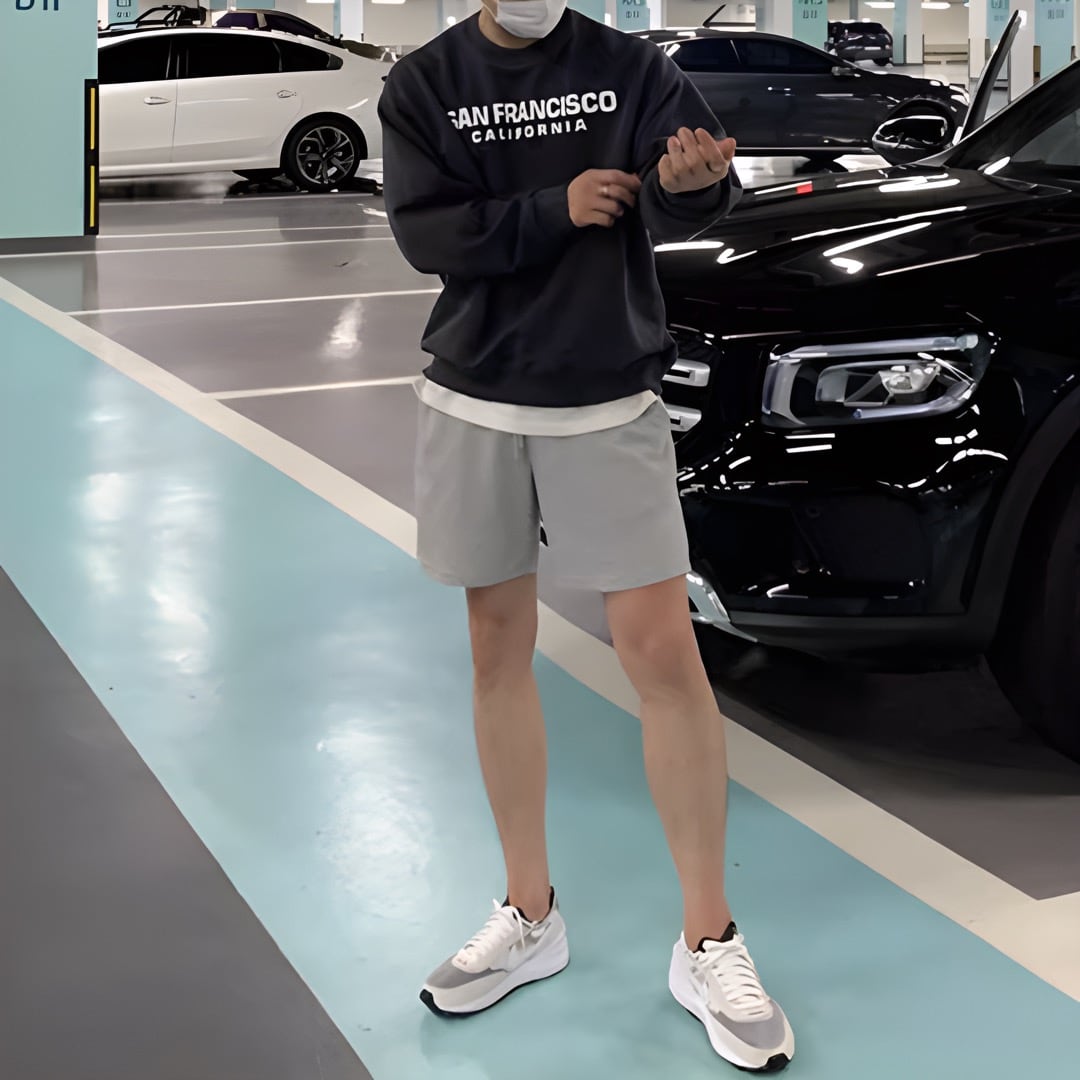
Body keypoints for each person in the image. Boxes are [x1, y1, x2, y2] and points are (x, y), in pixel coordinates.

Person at [378, 0, 794, 1071]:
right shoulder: (424, 84)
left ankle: (709, 938)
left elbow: (695, 194)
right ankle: (530, 915)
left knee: (663, 655)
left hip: (608, 399)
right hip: (474, 398)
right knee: (495, 649)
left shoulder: (629, 67)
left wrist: (689, 183)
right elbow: (426, 236)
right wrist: (554, 210)